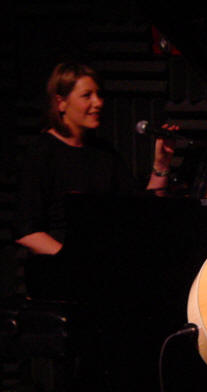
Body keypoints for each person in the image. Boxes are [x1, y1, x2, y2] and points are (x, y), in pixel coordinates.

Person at [14, 62, 178, 296]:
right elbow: (26, 230)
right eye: (86, 96)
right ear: (61, 103)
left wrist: (161, 165)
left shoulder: (103, 152)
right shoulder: (41, 153)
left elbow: (142, 210)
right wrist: (75, 262)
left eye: (99, 95)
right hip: (60, 275)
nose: (98, 103)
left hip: (100, 270)